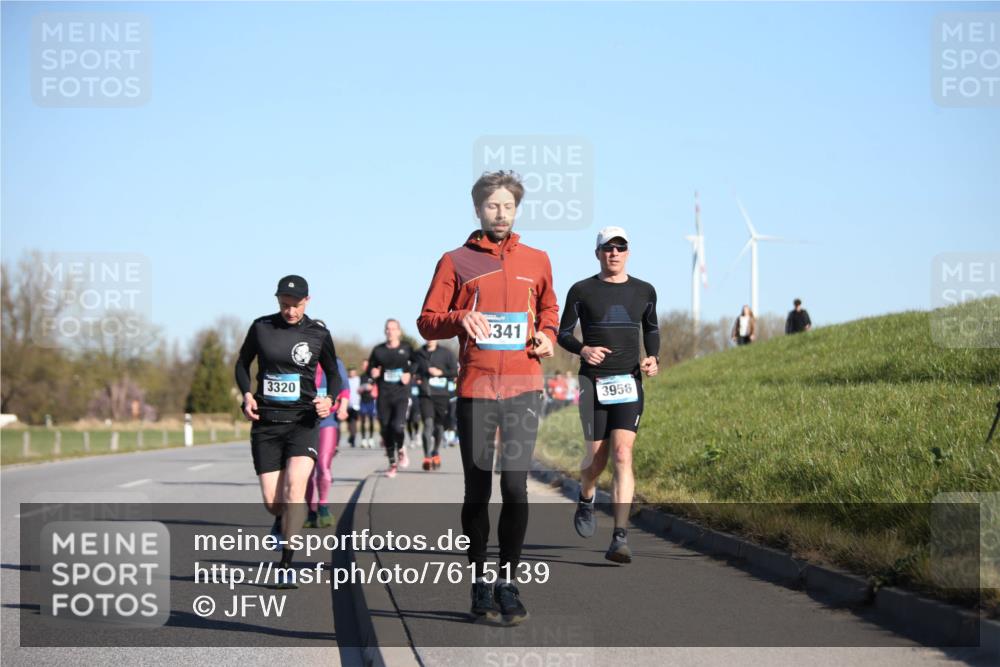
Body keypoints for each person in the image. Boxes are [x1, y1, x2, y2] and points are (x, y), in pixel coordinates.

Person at [417, 170, 558, 625]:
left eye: (509, 206)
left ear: (517, 210)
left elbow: (550, 309)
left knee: (515, 487)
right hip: (476, 389)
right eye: (493, 206)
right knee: (477, 491)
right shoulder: (456, 261)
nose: (501, 214)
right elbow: (427, 321)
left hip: (523, 387)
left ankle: (508, 583)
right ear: (478, 209)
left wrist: (547, 335)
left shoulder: (537, 259)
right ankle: (479, 580)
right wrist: (460, 318)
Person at [557, 227, 659, 564]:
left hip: (629, 382)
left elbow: (651, 329)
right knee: (596, 461)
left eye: (620, 247)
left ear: (628, 252)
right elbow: (563, 334)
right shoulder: (582, 290)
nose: (614, 253)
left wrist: (653, 357)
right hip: (593, 383)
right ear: (597, 252)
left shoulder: (644, 290)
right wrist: (584, 349)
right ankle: (586, 497)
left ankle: (620, 536)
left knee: (622, 454)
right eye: (607, 248)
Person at [235, 275, 341, 588]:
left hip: (303, 422)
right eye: (284, 305)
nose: (290, 311)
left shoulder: (318, 332)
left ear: (307, 301)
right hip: (267, 423)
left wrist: (329, 399)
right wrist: (246, 394)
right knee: (273, 501)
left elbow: (334, 373)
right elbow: (242, 363)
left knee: (295, 489)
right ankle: (280, 521)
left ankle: (286, 564)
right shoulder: (261, 327)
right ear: (276, 300)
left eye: (295, 305)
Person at [304, 344, 350, 529]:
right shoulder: (301, 362)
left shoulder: (335, 363)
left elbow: (344, 389)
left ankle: (323, 505)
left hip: (327, 421)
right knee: (306, 470)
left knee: (323, 465)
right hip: (304, 422)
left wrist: (344, 407)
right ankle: (311, 511)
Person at [367, 319, 415, 477]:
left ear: (399, 331)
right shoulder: (378, 350)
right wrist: (373, 374)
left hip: (401, 394)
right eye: (387, 329)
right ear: (385, 331)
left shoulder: (407, 348)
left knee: (398, 427)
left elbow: (416, 364)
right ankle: (392, 463)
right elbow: (371, 369)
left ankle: (401, 448)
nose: (390, 331)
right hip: (384, 395)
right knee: (386, 429)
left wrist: (409, 373)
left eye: (393, 329)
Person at [414, 339, 458, 470]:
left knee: (438, 427)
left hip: (441, 396)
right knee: (427, 424)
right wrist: (416, 378)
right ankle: (427, 457)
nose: (429, 338)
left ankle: (435, 452)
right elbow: (412, 369)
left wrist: (441, 373)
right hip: (425, 395)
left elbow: (455, 371)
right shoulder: (418, 353)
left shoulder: (446, 353)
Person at [357, 360, 377, 448]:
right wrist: (364, 387)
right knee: (363, 420)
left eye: (367, 365)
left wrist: (372, 388)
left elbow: (376, 387)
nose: (365, 367)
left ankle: (371, 438)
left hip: (371, 401)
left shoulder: (373, 376)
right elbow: (358, 389)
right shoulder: (361, 377)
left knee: (372, 420)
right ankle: (363, 439)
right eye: (364, 365)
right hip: (363, 401)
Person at [346, 367, 361, 447]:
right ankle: (351, 436)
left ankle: (353, 438)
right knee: (349, 423)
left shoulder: (358, 380)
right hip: (347, 405)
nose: (352, 373)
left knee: (354, 422)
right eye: (350, 372)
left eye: (353, 372)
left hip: (356, 405)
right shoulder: (346, 380)